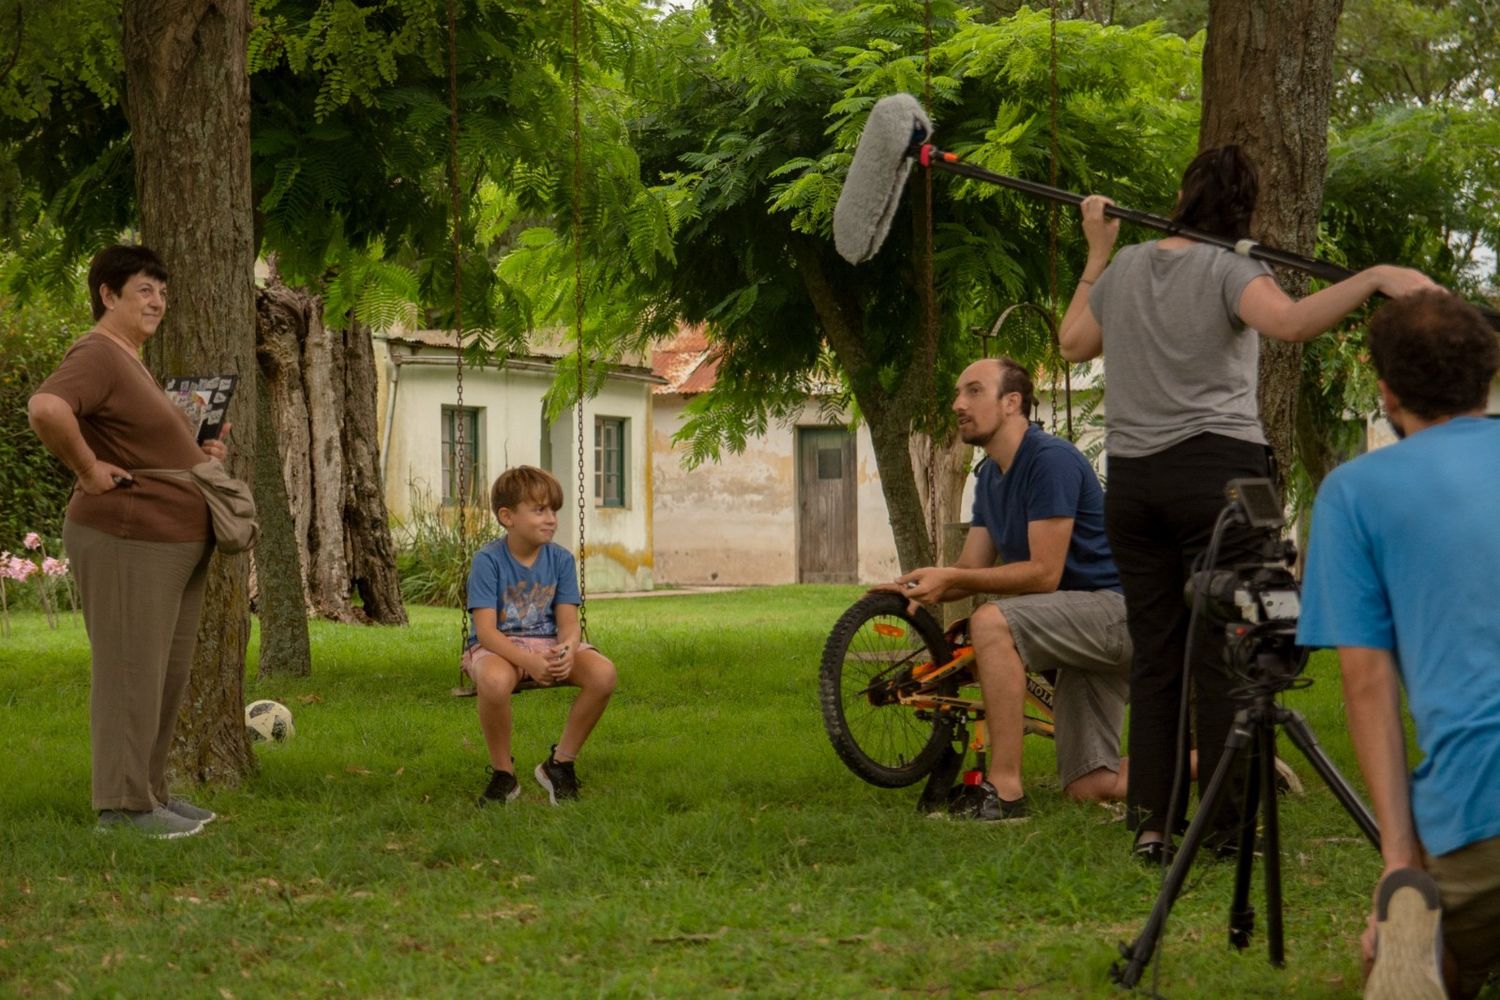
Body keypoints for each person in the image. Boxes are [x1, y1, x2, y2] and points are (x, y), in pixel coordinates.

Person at [1057, 145, 1436, 863]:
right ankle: (1226, 829)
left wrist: (1097, 252)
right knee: (1225, 649)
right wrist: (1377, 278)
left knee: (1156, 656)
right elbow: (1290, 324)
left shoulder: (1128, 267)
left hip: (1134, 486)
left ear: (1179, 196)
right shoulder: (1232, 268)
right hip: (1215, 480)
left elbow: (1073, 340)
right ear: (1245, 210)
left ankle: (1152, 825)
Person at [1298, 290, 1500, 1000]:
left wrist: (1399, 862)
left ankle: (1416, 941)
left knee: (1404, 960)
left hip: (1481, 807)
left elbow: (1368, 683)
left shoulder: (1357, 492)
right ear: (1486, 374)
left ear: (1385, 391)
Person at [27, 244, 229, 839]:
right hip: (125, 535)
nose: (158, 302)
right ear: (107, 294)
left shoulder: (131, 359)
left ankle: (149, 794)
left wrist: (201, 452)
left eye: (163, 292)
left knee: (162, 673)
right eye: (144, 290)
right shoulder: (97, 353)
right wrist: (88, 469)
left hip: (170, 538)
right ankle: (120, 809)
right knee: (129, 670)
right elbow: (46, 407)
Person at [885, 357, 1130, 822]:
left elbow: (1043, 575)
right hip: (1078, 633)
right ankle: (1231, 764)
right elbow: (970, 567)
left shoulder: (1049, 460)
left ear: (1012, 402)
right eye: (957, 393)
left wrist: (956, 581)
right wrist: (914, 588)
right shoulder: (989, 477)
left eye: (974, 391)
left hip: (1117, 616)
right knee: (1089, 785)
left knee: (992, 620)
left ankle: (1005, 790)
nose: (958, 403)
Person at [464, 465, 617, 806]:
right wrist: (528, 661)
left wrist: (566, 649)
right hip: (499, 647)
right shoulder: (488, 561)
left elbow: (568, 623)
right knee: (493, 681)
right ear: (508, 516)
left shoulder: (560, 560)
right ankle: (504, 774)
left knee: (603, 673)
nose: (550, 519)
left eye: (553, 510)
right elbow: (486, 631)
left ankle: (559, 764)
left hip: (546, 641)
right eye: (539, 510)